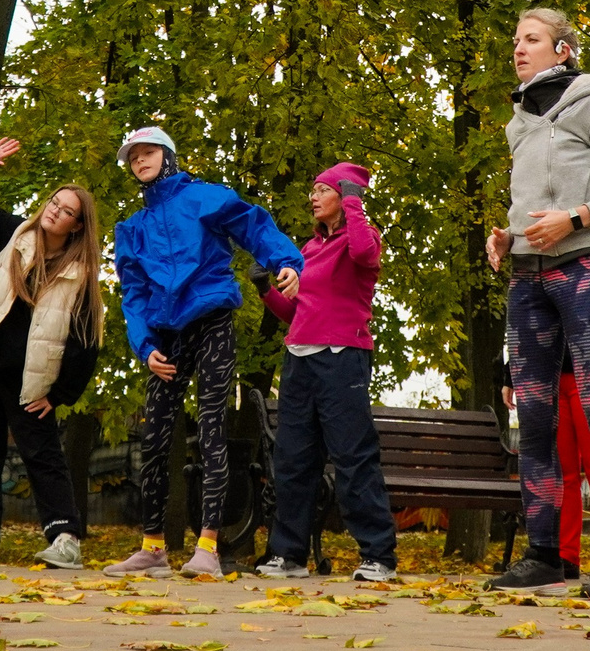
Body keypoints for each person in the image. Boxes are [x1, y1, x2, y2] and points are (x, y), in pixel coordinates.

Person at [485, 7, 590, 598]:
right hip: (526, 279)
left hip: (583, 269)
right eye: (516, 40)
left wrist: (576, 219)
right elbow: (530, 203)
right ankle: (545, 556)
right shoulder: (518, 121)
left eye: (531, 39)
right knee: (533, 418)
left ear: (562, 50)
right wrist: (506, 237)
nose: (519, 48)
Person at [108, 124, 304, 578]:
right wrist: (145, 347)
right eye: (133, 157)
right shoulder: (131, 229)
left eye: (148, 152)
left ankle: (208, 549)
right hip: (166, 339)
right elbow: (133, 294)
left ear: (168, 155)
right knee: (155, 439)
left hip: (213, 321)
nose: (140, 161)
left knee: (213, 429)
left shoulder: (203, 197)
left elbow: (253, 225)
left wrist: (288, 263)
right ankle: (153, 547)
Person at [0, 138, 99, 571]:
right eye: (54, 202)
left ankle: (65, 537)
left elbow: (86, 341)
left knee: (42, 455)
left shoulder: (80, 275)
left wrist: (62, 394)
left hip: (31, 380)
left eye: (67, 209)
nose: (55, 210)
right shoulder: (14, 236)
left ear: (76, 226)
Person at [254, 162, 399, 584]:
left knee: (353, 456)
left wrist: (355, 202)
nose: (312, 197)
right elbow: (295, 315)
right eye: (312, 190)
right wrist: (266, 290)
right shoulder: (308, 250)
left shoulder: (364, 238)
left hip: (342, 356)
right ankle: (289, 555)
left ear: (344, 195)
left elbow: (363, 254)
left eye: (322, 190)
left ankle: (379, 557)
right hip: (299, 358)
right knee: (293, 458)